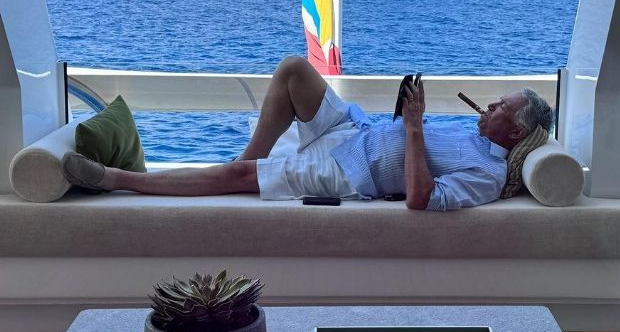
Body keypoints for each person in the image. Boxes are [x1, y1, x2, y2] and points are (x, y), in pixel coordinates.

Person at [63, 56, 554, 211]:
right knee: (294, 70)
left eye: (502, 107)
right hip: (355, 128)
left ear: (517, 131)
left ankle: (113, 179)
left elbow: (420, 199)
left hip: (350, 172)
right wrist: (406, 118)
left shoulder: (487, 173)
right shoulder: (476, 137)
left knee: (238, 177)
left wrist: (412, 128)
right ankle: (247, 162)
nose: (491, 105)